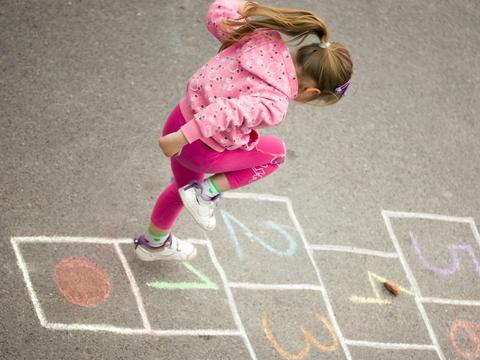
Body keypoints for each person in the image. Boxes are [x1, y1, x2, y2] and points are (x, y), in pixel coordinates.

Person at [133, 0, 353, 261]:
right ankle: (206, 193)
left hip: (178, 118)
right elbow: (228, 111)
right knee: (276, 154)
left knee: (184, 190)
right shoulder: (275, 103)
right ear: (311, 92)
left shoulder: (263, 38)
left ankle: (154, 244)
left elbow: (217, 16)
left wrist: (242, 5)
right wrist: (182, 138)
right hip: (197, 144)